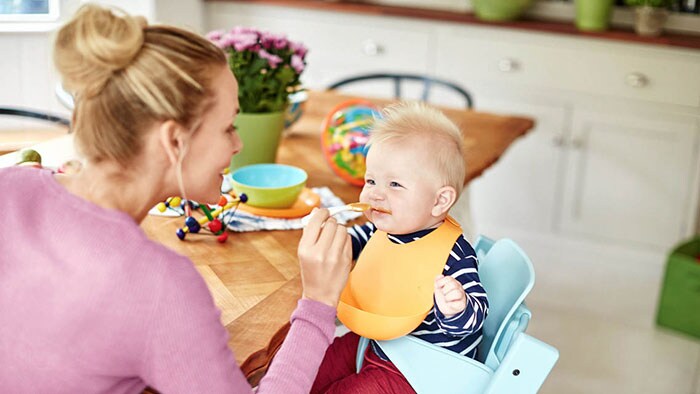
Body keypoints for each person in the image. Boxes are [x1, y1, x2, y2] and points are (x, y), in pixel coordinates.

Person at [0, 4, 351, 393]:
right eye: (228, 126)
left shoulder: (11, 184)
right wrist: (318, 302)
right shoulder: (161, 287)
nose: (239, 143)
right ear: (174, 140)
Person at [311, 102, 489, 393]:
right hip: (379, 342)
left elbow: (475, 319)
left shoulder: (454, 254)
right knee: (309, 365)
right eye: (370, 180)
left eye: (394, 184)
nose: (375, 193)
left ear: (439, 201)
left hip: (421, 371)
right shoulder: (384, 228)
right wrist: (331, 239)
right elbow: (354, 241)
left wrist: (458, 308)